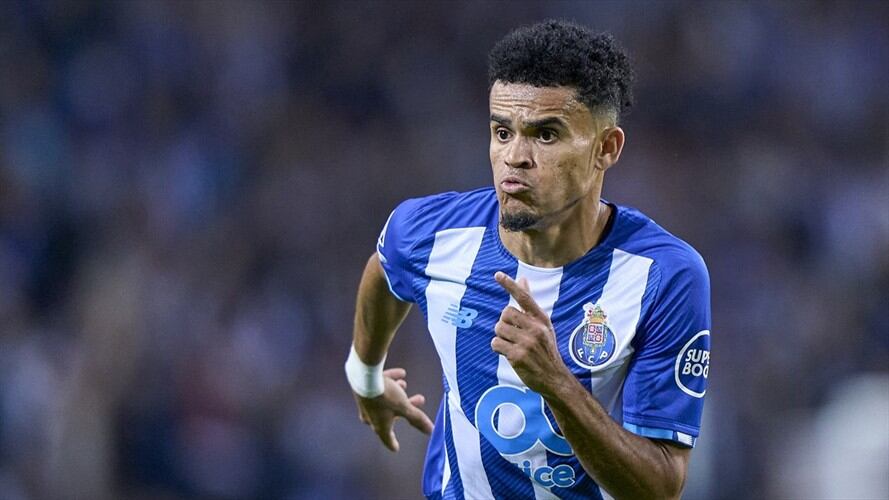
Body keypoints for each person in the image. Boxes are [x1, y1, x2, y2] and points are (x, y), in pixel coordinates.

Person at [345, 19, 711, 500]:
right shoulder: (432, 234)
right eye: (502, 132)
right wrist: (365, 375)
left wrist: (555, 382)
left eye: (545, 135)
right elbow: (384, 272)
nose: (514, 157)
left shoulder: (664, 276)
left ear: (606, 148)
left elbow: (658, 488)